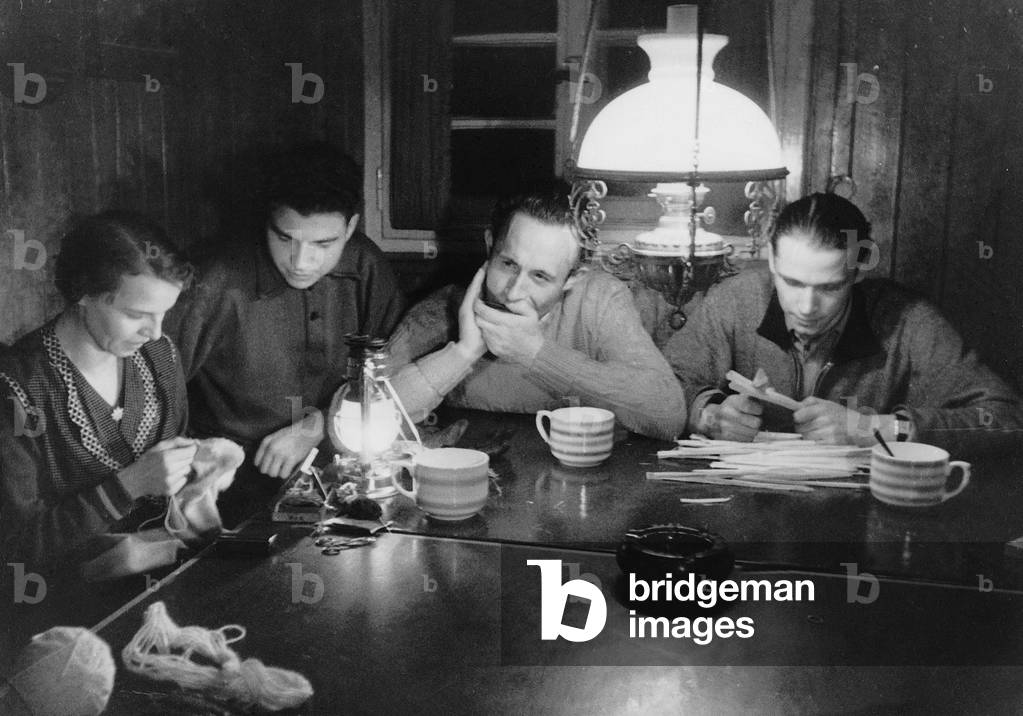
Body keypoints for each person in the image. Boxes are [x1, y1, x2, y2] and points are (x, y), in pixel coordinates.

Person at [663, 192, 1023, 456]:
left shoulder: (908, 320)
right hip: (746, 510)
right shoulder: (737, 300)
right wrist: (709, 416)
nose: (807, 307)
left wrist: (874, 428)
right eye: (792, 283)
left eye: (830, 287)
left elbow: (1007, 420)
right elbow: (662, 387)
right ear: (772, 259)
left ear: (859, 270)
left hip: (860, 518)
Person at [166, 142, 404, 522]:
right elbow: (151, 399)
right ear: (267, 222)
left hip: (343, 471)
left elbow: (394, 380)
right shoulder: (213, 281)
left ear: (350, 228)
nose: (301, 262)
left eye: (323, 243)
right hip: (230, 487)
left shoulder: (366, 267)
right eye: (284, 238)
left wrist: (318, 425)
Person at [354, 187, 687, 442]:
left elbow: (669, 415)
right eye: (508, 264)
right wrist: (463, 353)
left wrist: (535, 353)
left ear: (573, 278)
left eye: (540, 276)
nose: (513, 293)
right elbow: (360, 421)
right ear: (490, 245)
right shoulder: (442, 310)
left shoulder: (599, 299)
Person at [0, 211, 197, 572]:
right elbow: (16, 548)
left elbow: (177, 476)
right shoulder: (16, 389)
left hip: (169, 573)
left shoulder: (160, 355)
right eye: (136, 315)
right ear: (84, 293)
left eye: (163, 313)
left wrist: (203, 465)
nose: (154, 332)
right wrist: (128, 485)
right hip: (69, 597)